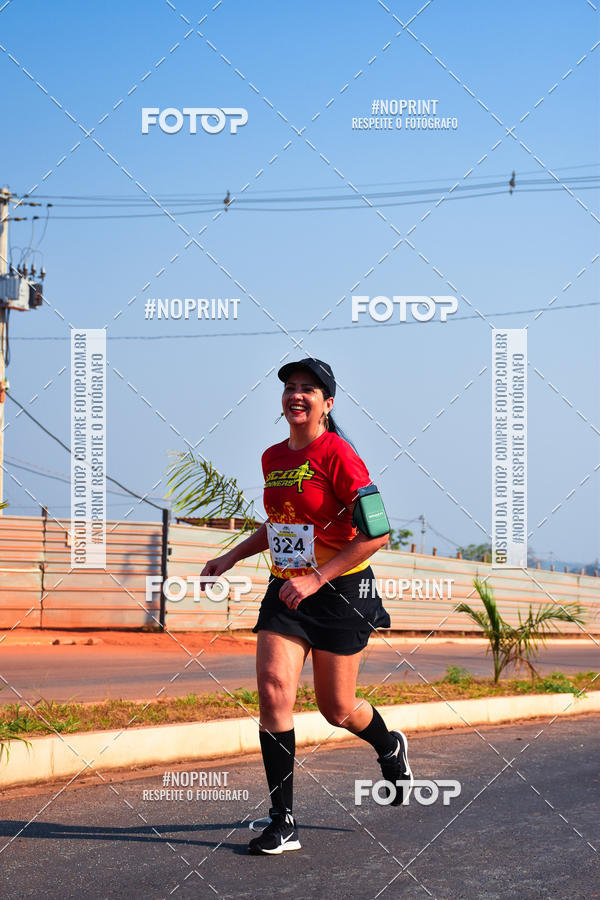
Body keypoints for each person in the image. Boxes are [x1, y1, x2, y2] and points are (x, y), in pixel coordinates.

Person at [200, 357, 413, 855]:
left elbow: (378, 532)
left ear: (327, 403)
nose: (297, 395)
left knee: (336, 709)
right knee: (275, 692)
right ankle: (283, 819)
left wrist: (319, 577)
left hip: (341, 591)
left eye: (308, 389)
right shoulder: (272, 457)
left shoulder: (340, 456)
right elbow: (280, 524)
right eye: (290, 388)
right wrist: (230, 556)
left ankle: (388, 745)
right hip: (287, 589)